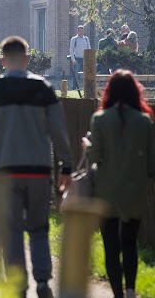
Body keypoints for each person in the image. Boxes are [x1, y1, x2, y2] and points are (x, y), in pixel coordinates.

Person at [0, 36, 72, 298]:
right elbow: (59, 132)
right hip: (39, 171)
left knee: (12, 230)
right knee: (39, 228)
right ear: (27, 59)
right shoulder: (43, 89)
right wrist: (67, 166)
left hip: (6, 172)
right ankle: (42, 281)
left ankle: (17, 285)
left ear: (2, 61)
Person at [83, 70, 154, 298]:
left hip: (106, 192)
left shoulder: (100, 119)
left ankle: (117, 294)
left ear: (109, 91)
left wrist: (87, 146)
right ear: (135, 92)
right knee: (130, 243)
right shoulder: (145, 122)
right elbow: (151, 164)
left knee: (111, 246)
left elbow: (95, 157)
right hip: (134, 192)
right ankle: (132, 291)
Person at [69, 25, 91, 90]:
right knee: (75, 74)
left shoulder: (86, 39)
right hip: (77, 59)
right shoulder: (74, 39)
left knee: (87, 73)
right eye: (80, 31)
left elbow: (89, 49)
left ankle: (87, 87)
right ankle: (74, 88)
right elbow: (71, 49)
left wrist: (89, 59)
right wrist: (73, 59)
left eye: (82, 31)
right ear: (77, 31)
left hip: (85, 59)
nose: (81, 32)